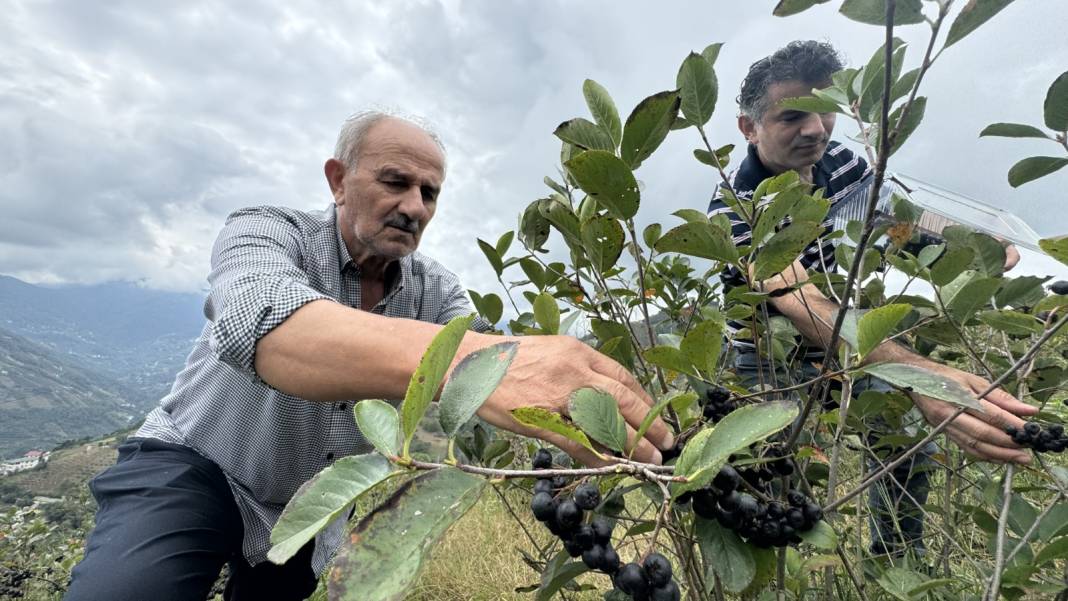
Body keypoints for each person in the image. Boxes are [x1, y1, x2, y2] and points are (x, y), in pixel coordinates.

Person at [64, 110, 674, 601]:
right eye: (395, 182)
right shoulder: (267, 230)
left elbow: (490, 397)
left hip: (313, 499)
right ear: (337, 179)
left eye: (430, 193)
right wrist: (485, 362)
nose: (415, 206)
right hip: (198, 461)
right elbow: (267, 329)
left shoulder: (438, 294)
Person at [706, 41, 1032, 557]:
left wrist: (967, 241)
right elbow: (799, 300)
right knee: (765, 473)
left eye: (824, 111)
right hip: (767, 354)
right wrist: (918, 375)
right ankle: (779, 570)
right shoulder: (736, 208)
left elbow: (892, 214)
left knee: (900, 441)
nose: (815, 129)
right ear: (750, 128)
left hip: (837, 335)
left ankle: (895, 561)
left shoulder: (835, 158)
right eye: (792, 116)